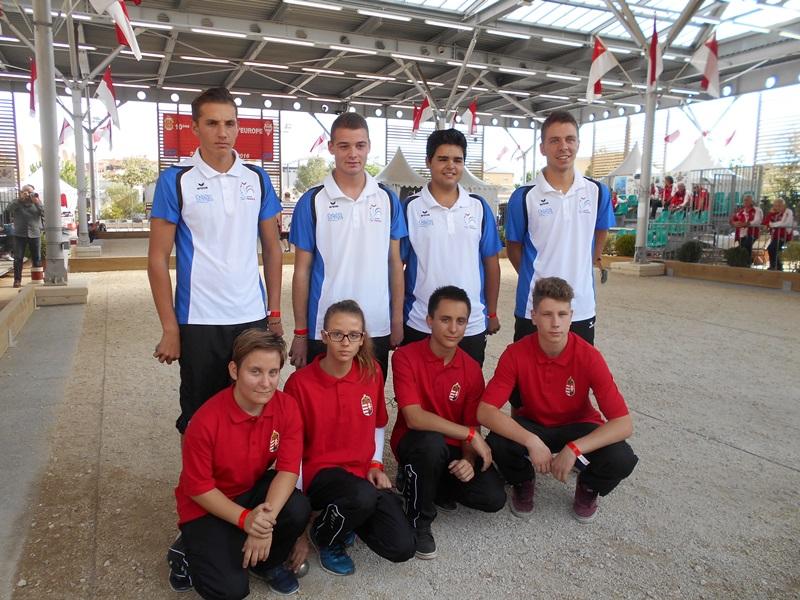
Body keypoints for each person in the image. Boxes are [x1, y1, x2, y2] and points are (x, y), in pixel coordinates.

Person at [148, 86, 284, 437]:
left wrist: (274, 313)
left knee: (254, 410)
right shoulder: (176, 180)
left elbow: (272, 250)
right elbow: (157, 259)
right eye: (212, 123)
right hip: (199, 320)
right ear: (195, 127)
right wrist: (170, 328)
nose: (222, 132)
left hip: (251, 317)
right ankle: (200, 476)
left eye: (229, 123)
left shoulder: (256, 178)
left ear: (238, 126)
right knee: (199, 418)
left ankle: (245, 474)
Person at [477, 277, 638, 523]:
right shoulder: (515, 353)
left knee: (622, 457)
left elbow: (623, 424)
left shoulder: (589, 356)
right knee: (498, 443)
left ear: (571, 316)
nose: (555, 323)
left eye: (562, 314)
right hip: (534, 424)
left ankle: (588, 486)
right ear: (533, 316)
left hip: (577, 424)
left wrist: (575, 448)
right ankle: (523, 480)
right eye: (547, 314)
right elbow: (485, 411)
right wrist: (531, 441)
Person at [172, 329, 311, 597]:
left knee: (297, 507)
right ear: (234, 370)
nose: (266, 383)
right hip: (206, 505)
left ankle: (266, 563)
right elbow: (199, 489)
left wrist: (264, 523)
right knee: (231, 590)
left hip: (249, 489)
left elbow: (287, 470)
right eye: (255, 371)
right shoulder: (205, 421)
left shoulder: (287, 407)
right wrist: (247, 520)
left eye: (273, 372)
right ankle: (185, 552)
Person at [283, 300, 415, 576]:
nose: (345, 342)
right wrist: (299, 515)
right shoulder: (299, 384)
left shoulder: (372, 372)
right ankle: (325, 536)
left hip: (361, 475)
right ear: (324, 336)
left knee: (402, 546)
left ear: (362, 339)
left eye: (353, 335)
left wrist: (376, 464)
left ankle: (345, 518)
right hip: (320, 475)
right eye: (337, 334)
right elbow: (291, 452)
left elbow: (378, 423)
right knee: (361, 496)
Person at [391, 286, 506, 560]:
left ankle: (426, 484)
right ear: (429, 320)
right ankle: (419, 520)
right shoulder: (405, 357)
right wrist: (470, 436)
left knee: (493, 498)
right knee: (431, 444)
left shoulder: (471, 369)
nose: (453, 328)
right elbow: (414, 417)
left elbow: (472, 425)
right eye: (445, 319)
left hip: (452, 447)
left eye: (460, 321)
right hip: (416, 441)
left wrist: (468, 458)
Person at [288, 113, 406, 378]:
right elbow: (302, 271)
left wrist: (396, 320)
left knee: (368, 399)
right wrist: (300, 332)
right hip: (326, 327)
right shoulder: (312, 201)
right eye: (344, 146)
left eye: (360, 145)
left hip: (375, 325)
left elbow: (395, 264)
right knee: (326, 399)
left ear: (369, 146)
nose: (353, 153)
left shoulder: (387, 199)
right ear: (331, 147)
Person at [504, 110, 613, 347]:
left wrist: (591, 260)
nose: (563, 146)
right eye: (554, 140)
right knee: (528, 370)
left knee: (577, 370)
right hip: (534, 306)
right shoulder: (523, 196)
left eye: (569, 139)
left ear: (578, 144)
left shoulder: (597, 192)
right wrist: (535, 278)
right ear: (542, 148)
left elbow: (601, 229)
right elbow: (513, 247)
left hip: (581, 307)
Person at [400, 128, 501, 366]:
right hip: (420, 321)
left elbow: (491, 264)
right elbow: (396, 265)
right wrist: (396, 316)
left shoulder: (478, 207)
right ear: (428, 162)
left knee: (467, 388)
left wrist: (492, 313)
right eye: (443, 159)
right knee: (420, 387)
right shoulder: (410, 207)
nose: (450, 166)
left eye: (457, 160)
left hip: (470, 323)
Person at [8, 184, 43, 288]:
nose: (28, 195)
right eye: (26, 192)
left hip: (35, 233)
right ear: (21, 192)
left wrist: (37, 203)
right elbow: (9, 209)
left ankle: (37, 279)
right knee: (18, 258)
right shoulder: (17, 202)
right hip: (19, 234)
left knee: (37, 257)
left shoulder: (37, 202)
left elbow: (45, 213)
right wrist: (20, 199)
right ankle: (17, 280)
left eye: (31, 192)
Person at [763, 197, 794, 271]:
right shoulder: (775, 213)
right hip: (775, 236)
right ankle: (775, 266)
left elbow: (784, 223)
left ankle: (776, 266)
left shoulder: (788, 211)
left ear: (784, 205)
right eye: (775, 206)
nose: (777, 207)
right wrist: (770, 214)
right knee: (773, 249)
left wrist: (772, 224)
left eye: (779, 206)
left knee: (772, 248)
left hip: (784, 236)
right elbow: (766, 222)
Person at [730, 194, 762, 258]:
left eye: (747, 200)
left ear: (752, 201)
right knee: (743, 249)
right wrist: (734, 223)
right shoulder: (740, 211)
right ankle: (745, 261)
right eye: (744, 200)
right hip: (741, 234)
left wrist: (745, 224)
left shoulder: (757, 210)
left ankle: (747, 261)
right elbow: (732, 220)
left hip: (752, 233)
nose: (745, 202)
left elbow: (757, 221)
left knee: (746, 246)